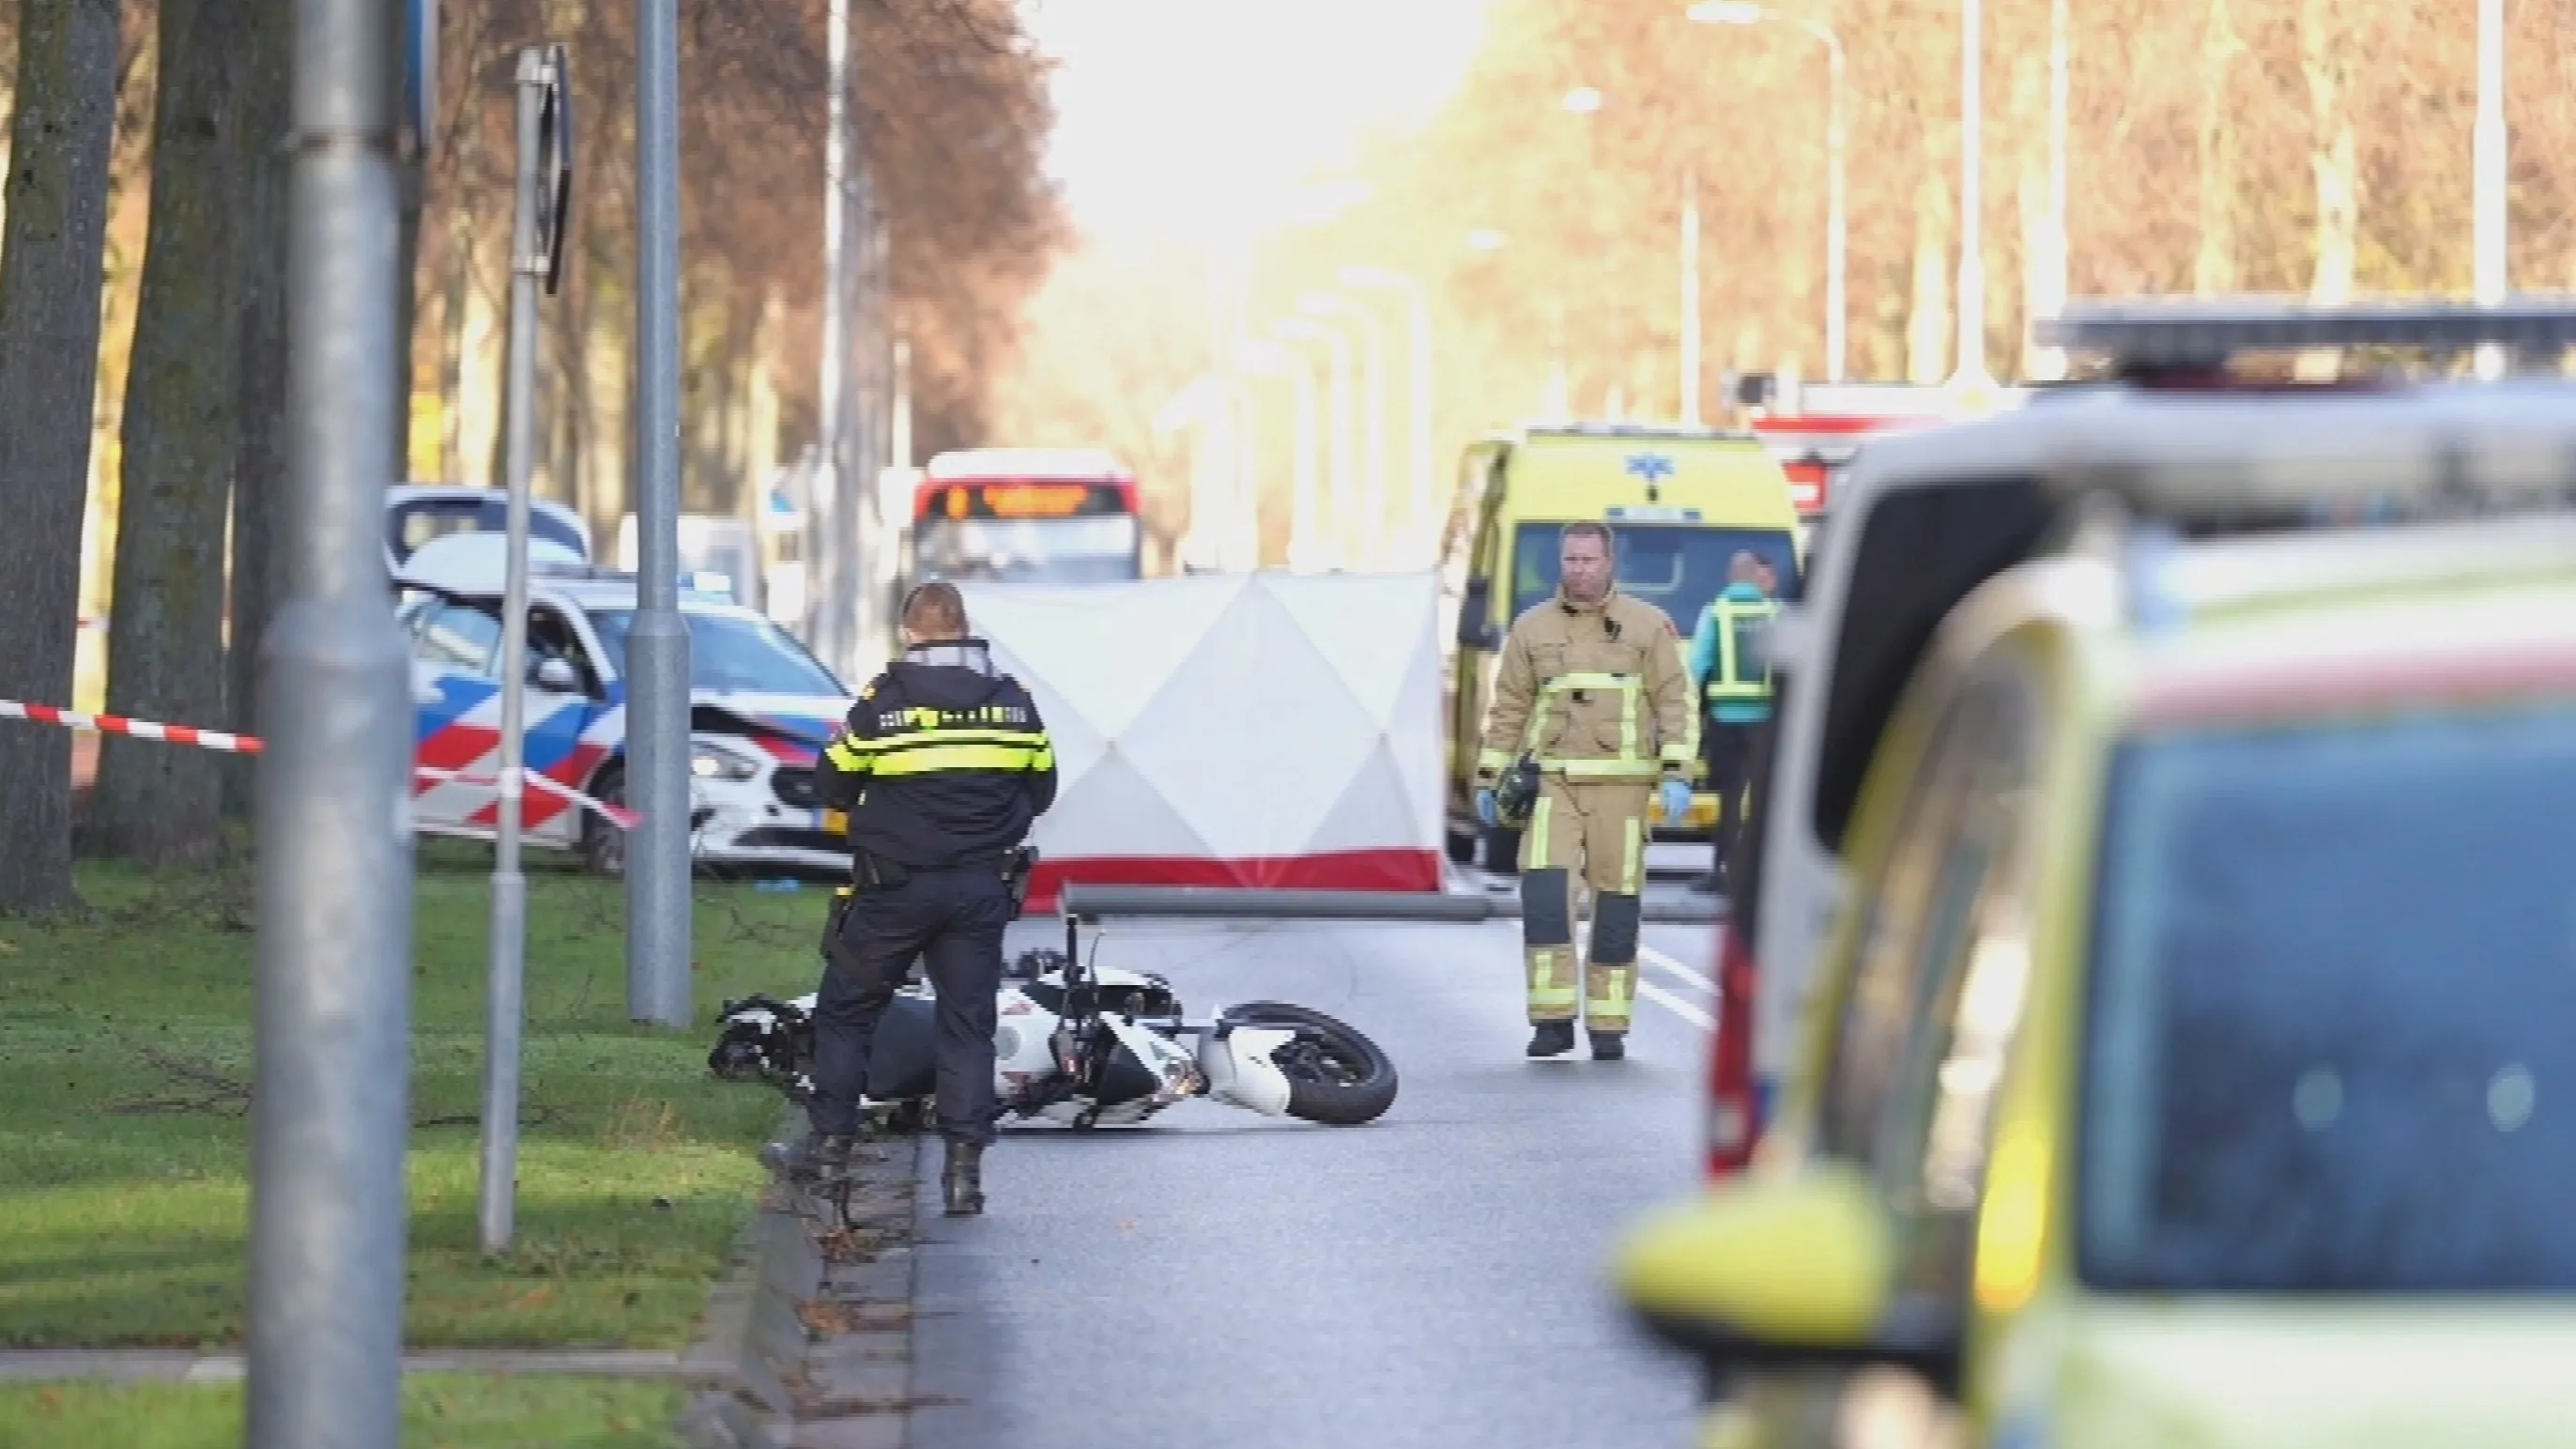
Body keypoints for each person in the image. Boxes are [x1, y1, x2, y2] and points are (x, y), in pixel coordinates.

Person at [762, 580, 1057, 1216]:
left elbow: (832, 787)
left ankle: (831, 1152)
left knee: (847, 1010)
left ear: (909, 633)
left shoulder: (882, 704)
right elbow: (1042, 789)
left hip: (894, 887)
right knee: (967, 1023)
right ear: (966, 626)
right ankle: (963, 1174)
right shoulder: (1013, 702)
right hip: (980, 886)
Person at [1474, 521, 1696, 1062]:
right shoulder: (1532, 628)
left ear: (1609, 563)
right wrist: (1489, 776)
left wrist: (1677, 773)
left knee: (1616, 905)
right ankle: (1551, 1021)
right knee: (1545, 898)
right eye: (1570, 560)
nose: (1578, 570)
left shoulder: (1646, 627)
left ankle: (1609, 1025)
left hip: (1623, 788)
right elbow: (1508, 708)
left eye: (1588, 560)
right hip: (1552, 783)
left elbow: (1674, 701)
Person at [1686, 552, 1777, 896]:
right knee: (1763, 799)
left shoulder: (1716, 613)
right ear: (1756, 578)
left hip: (1724, 722)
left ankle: (1722, 871)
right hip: (1765, 725)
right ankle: (1757, 876)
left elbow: (1698, 669)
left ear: (1730, 576)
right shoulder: (1774, 614)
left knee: (1729, 797)